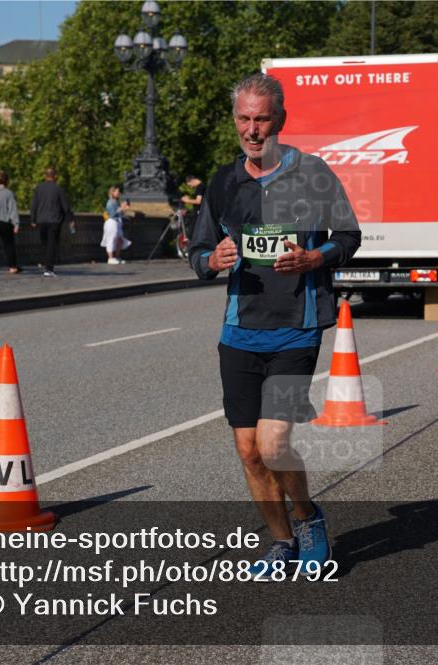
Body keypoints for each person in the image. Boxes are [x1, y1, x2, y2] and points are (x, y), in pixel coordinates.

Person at [188, 73, 362, 579]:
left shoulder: (313, 173)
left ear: (280, 120)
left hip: (296, 327)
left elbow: (349, 236)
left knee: (272, 443)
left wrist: (315, 258)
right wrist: (212, 259)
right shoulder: (223, 182)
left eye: (261, 118)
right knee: (248, 451)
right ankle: (281, 541)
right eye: (244, 118)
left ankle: (307, 518)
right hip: (239, 331)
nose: (252, 128)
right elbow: (198, 253)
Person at [29, 167, 73, 277]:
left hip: (41, 220)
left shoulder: (39, 188)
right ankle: (49, 268)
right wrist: (70, 219)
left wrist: (33, 219)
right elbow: (65, 207)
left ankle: (46, 265)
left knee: (44, 243)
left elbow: (34, 205)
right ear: (55, 176)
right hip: (54, 220)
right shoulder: (58, 189)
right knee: (51, 244)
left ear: (45, 176)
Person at [101, 185, 131, 265]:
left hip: (117, 223)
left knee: (119, 240)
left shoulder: (115, 201)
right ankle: (110, 258)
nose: (119, 193)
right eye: (117, 191)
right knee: (111, 239)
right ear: (113, 192)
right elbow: (113, 214)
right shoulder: (111, 202)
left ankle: (117, 257)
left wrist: (123, 208)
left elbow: (119, 213)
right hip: (111, 222)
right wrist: (122, 208)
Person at [181, 174, 205, 240]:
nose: (191, 187)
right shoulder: (203, 186)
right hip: (199, 211)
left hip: (199, 213)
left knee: (192, 231)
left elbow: (198, 201)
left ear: (192, 181)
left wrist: (187, 200)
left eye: (190, 185)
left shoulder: (200, 187)